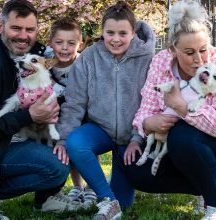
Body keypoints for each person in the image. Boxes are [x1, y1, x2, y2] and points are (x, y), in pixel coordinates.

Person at [121, 0, 216, 219]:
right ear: (173, 49)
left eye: (203, 50)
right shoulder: (161, 62)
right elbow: (147, 106)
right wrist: (146, 124)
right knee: (133, 166)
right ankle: (207, 183)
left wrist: (180, 106)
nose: (199, 59)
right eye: (189, 52)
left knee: (182, 136)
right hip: (190, 146)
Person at [0, 1, 81, 219]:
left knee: (66, 149)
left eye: (30, 29)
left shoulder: (35, 53)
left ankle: (45, 199)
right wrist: (28, 115)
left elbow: (65, 56)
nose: (23, 36)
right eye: (16, 28)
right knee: (55, 166)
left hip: (20, 137)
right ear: (0, 27)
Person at [54, 1, 155, 219]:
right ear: (102, 32)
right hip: (100, 130)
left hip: (132, 136)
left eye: (122, 33)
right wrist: (62, 139)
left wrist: (137, 137)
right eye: (110, 32)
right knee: (76, 144)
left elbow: (152, 102)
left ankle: (118, 196)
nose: (115, 39)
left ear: (133, 32)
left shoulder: (148, 58)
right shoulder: (90, 57)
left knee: (126, 201)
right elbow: (74, 103)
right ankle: (108, 200)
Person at [48, 17, 98, 206]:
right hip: (61, 114)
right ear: (51, 42)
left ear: (80, 44)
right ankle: (77, 186)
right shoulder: (48, 65)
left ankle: (91, 188)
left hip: (85, 113)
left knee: (87, 149)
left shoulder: (83, 63)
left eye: (71, 43)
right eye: (59, 42)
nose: (64, 48)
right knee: (68, 149)